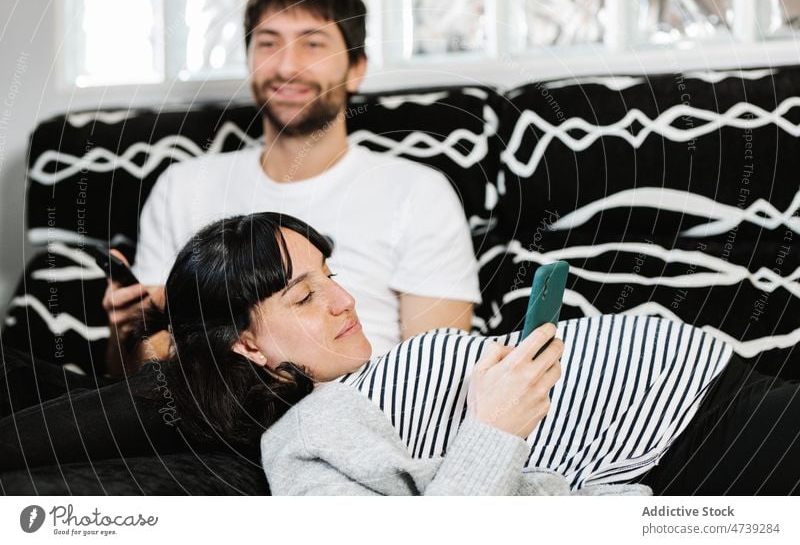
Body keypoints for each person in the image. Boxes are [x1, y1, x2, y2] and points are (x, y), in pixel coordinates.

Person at [121, 212, 799, 495]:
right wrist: (493, 428)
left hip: (721, 383)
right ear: (246, 345)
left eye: (330, 276)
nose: (344, 301)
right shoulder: (303, 439)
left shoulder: (361, 376)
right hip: (701, 439)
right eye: (304, 298)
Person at [102, 0, 481, 376]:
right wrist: (127, 331)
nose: (287, 66)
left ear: (356, 68)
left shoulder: (417, 191)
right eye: (268, 43)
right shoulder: (183, 186)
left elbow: (438, 371)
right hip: (206, 424)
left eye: (313, 44)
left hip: (359, 420)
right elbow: (136, 377)